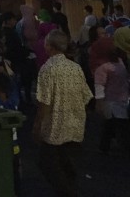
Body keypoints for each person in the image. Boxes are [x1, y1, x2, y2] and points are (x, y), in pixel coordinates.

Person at [33, 29, 93, 197]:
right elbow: (86, 96)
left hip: (55, 126)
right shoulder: (75, 67)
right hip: (75, 123)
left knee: (48, 164)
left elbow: (44, 102)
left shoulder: (47, 69)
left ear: (50, 47)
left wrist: (37, 125)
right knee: (68, 165)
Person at [92, 38, 129, 153]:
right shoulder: (107, 66)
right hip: (113, 101)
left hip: (118, 100)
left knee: (111, 125)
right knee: (117, 125)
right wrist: (99, 102)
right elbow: (99, 86)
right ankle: (118, 145)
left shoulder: (116, 62)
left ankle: (106, 146)